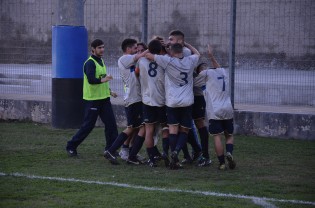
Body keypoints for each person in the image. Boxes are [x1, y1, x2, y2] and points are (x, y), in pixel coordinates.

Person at [146, 42, 200, 169]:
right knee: (185, 129)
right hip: (187, 101)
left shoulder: (167, 61)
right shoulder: (190, 60)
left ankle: (173, 158)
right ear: (182, 50)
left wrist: (162, 46)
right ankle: (176, 151)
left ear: (171, 51)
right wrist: (186, 43)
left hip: (172, 101)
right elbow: (197, 53)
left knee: (173, 130)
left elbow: (149, 55)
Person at [66, 39, 118, 157]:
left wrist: (110, 91)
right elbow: (91, 80)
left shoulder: (101, 61)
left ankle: (110, 149)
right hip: (93, 100)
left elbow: (101, 79)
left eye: (103, 47)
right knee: (88, 126)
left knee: (111, 125)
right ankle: (71, 146)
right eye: (99, 47)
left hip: (104, 99)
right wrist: (104, 80)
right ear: (93, 49)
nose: (102, 49)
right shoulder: (90, 63)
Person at [104, 38, 147, 165]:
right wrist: (152, 48)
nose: (137, 52)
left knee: (135, 127)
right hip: (133, 99)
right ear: (128, 49)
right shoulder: (124, 59)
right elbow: (138, 57)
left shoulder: (132, 60)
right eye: (135, 49)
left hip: (135, 98)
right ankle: (114, 151)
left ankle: (127, 153)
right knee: (135, 128)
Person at [195, 44, 236, 170]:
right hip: (228, 109)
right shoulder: (222, 72)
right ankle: (229, 152)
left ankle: (222, 163)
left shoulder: (204, 74)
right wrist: (211, 57)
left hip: (215, 111)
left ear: (201, 70)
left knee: (217, 136)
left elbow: (191, 82)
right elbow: (216, 66)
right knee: (229, 135)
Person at [138, 39, 169, 167]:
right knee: (165, 128)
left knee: (149, 130)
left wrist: (148, 50)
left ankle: (152, 159)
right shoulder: (163, 61)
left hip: (147, 100)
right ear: (160, 50)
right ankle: (166, 154)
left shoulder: (141, 61)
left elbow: (141, 58)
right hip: (162, 100)